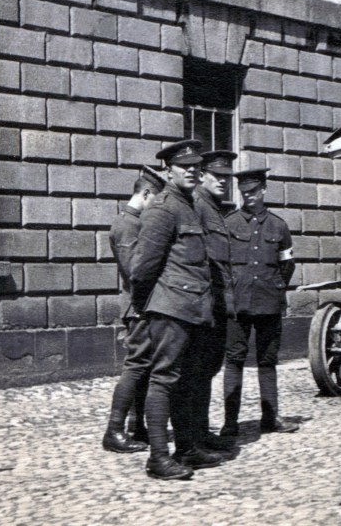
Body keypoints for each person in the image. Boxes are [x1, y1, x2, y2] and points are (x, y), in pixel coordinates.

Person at [130, 139, 223, 480]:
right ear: (168, 170)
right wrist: (150, 306)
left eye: (197, 165)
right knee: (164, 379)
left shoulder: (191, 205)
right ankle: (158, 456)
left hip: (195, 307)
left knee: (187, 380)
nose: (193, 170)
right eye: (185, 166)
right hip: (171, 308)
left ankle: (187, 448)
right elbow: (142, 267)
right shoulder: (163, 208)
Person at [221, 167, 299, 437]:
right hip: (238, 304)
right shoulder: (229, 224)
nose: (248, 196)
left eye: (253, 191)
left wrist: (276, 287)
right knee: (234, 361)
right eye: (244, 193)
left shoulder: (279, 226)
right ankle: (230, 422)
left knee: (267, 361)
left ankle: (271, 417)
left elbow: (287, 264)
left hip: (269, 302)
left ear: (263, 190)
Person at [102, 167, 165, 454]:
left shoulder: (133, 222)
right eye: (157, 199)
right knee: (136, 366)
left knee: (145, 367)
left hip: (143, 304)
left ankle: (137, 426)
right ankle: (114, 430)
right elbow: (134, 272)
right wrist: (146, 306)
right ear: (146, 194)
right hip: (138, 306)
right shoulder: (127, 224)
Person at [191, 150, 238, 451]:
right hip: (204, 306)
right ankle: (193, 436)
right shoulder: (197, 206)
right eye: (217, 176)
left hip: (218, 305)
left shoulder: (214, 208)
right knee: (196, 371)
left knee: (207, 369)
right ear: (202, 175)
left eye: (226, 177)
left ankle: (200, 431)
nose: (223, 181)